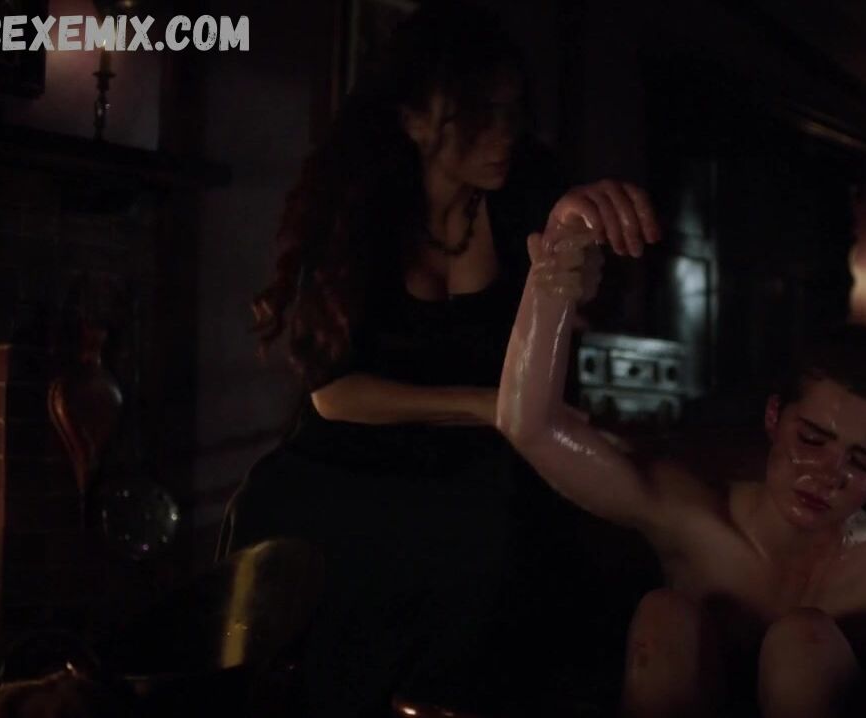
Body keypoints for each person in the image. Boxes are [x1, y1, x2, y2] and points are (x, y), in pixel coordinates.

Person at [229, 3, 661, 715]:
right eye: (477, 114)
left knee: (502, 532)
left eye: (511, 111)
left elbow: (576, 306)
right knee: (294, 530)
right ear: (411, 119)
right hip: (353, 455)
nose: (503, 133)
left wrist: (579, 279)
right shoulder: (358, 209)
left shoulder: (528, 187)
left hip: (487, 463)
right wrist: (488, 406)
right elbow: (333, 393)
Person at [497, 218, 866, 717]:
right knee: (664, 617)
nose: (828, 474)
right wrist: (556, 271)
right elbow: (532, 428)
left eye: (863, 462)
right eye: (811, 440)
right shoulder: (696, 516)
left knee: (803, 644)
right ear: (774, 417)